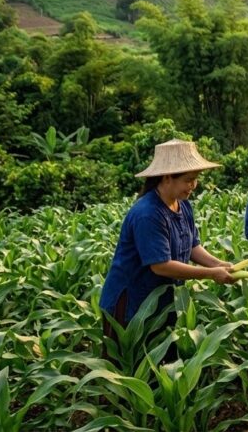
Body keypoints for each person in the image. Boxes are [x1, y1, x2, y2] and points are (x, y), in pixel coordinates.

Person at [99, 139, 236, 360]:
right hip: (131, 304)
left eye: (195, 180)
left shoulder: (183, 205)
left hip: (161, 301)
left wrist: (219, 264)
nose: (193, 186)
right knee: (125, 367)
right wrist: (211, 274)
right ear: (166, 177)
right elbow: (161, 265)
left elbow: (192, 246)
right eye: (188, 180)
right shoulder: (148, 213)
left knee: (158, 362)